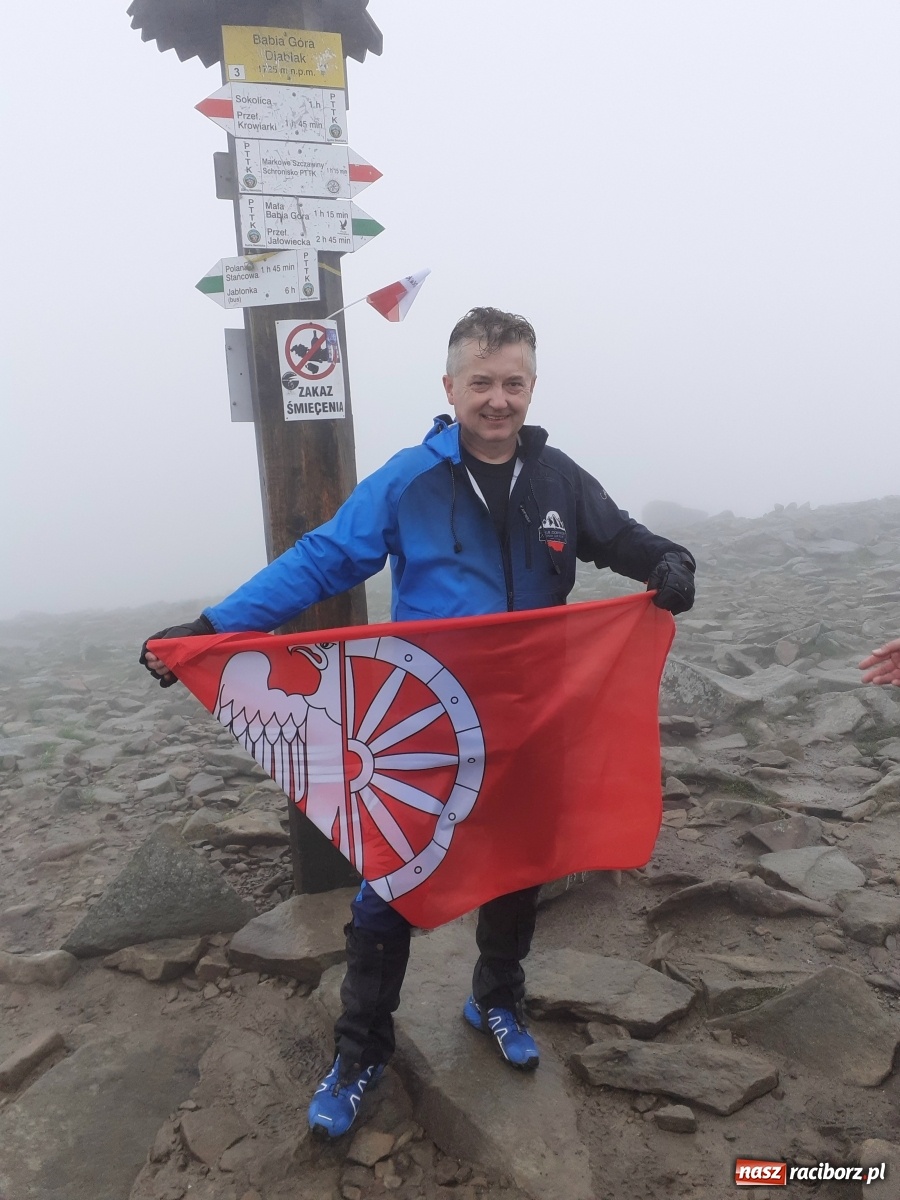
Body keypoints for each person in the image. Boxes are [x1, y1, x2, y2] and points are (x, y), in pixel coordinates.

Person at [141, 307, 696, 1138]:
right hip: (428, 729)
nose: (498, 400)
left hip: (533, 719)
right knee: (388, 892)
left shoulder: (558, 480)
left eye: (513, 382)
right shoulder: (411, 478)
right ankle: (360, 1054)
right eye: (482, 383)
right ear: (451, 387)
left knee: (519, 866)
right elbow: (325, 556)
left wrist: (664, 559)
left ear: (531, 386)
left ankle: (495, 1002)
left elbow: (616, 537)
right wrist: (218, 629)